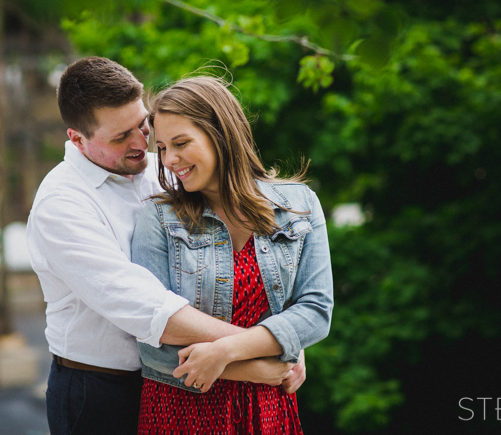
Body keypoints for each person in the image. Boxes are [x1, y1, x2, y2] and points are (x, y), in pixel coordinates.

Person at [26, 58, 305, 435]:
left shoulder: (165, 170)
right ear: (77, 139)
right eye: (120, 136)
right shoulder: (61, 205)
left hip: (176, 385)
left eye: (142, 124)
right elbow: (150, 310)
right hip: (99, 393)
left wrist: (285, 338)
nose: (141, 143)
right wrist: (270, 345)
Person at [132, 76, 334, 434]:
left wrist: (225, 352)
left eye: (181, 143)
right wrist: (251, 366)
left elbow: (316, 311)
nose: (169, 159)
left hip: (269, 409)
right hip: (182, 408)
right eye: (162, 147)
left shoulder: (299, 206)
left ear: (221, 135)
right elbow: (151, 344)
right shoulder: (158, 219)